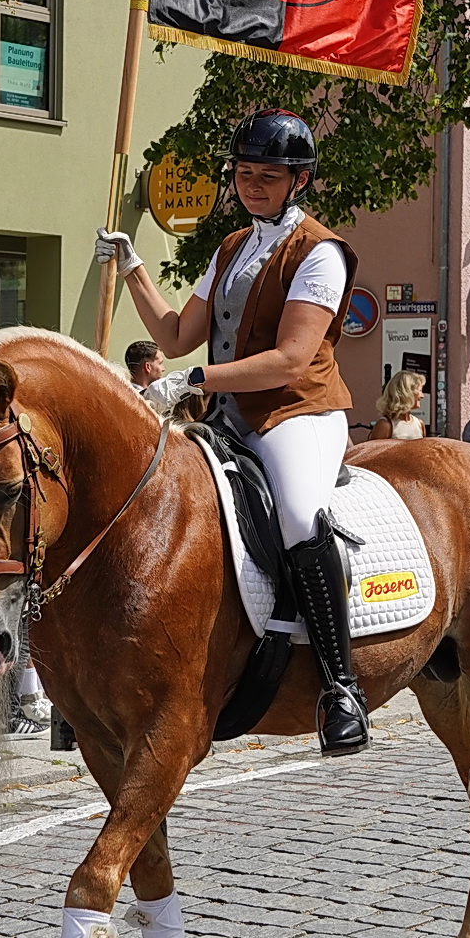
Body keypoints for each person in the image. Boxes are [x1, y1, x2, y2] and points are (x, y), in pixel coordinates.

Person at [95, 109, 367, 754]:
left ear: (299, 180)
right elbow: (174, 335)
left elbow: (292, 358)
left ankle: (340, 686)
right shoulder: (231, 248)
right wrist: (135, 268)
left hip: (297, 412)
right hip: (228, 416)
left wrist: (196, 382)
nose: (252, 186)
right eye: (244, 174)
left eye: (268, 177)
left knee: (301, 515)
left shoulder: (320, 253)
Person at [373, 370, 426, 440]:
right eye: (420, 391)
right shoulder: (385, 425)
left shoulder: (419, 424)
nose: (422, 396)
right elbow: (374, 450)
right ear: (406, 393)